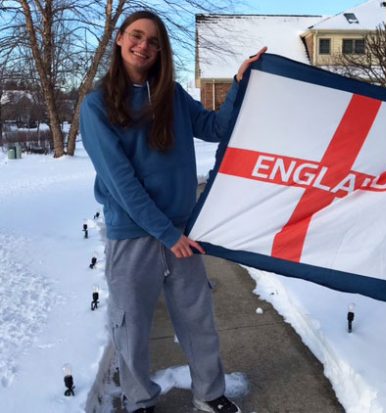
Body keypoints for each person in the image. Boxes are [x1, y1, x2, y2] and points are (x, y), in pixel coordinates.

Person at [80, 9, 266, 413]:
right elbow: (120, 183)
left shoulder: (173, 95)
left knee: (197, 319)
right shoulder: (97, 106)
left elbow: (216, 128)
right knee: (131, 327)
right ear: (119, 39)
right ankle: (139, 398)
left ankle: (210, 394)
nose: (143, 45)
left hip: (182, 229)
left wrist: (238, 82)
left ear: (161, 50)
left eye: (153, 40)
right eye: (136, 36)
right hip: (134, 235)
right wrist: (167, 235)